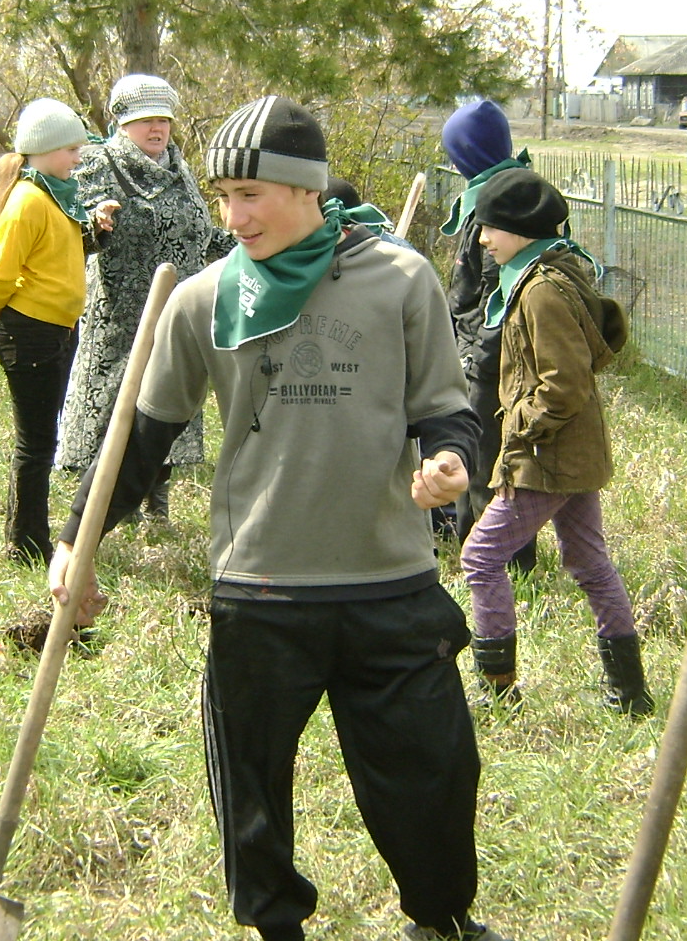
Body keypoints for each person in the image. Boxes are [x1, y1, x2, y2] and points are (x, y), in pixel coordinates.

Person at [49, 96, 504, 941]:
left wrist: (451, 464)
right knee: (251, 784)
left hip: (388, 582)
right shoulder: (203, 298)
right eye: (224, 195)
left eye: (252, 193)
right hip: (260, 587)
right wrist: (77, 541)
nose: (235, 215)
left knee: (434, 772)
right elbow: (142, 442)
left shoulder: (401, 279)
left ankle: (441, 919)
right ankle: (275, 927)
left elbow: (447, 409)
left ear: (304, 189)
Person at [456, 168, 651, 715]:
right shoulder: (545, 278)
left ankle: (498, 694)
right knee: (589, 562)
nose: (482, 239)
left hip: (549, 457)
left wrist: (517, 429)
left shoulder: (540, 291)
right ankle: (629, 693)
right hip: (573, 454)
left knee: (480, 556)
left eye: (490, 227)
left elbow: (563, 385)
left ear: (520, 230)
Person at [57, 74, 231, 520]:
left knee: (168, 401)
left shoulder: (181, 168)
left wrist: (246, 246)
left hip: (178, 312)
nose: (157, 130)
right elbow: (73, 231)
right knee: (118, 408)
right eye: (145, 121)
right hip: (122, 317)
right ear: (121, 124)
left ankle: (157, 505)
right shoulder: (100, 164)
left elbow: (199, 233)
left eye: (164, 121)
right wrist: (96, 223)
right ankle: (109, 507)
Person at [0, 99, 116, 564]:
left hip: (57, 331)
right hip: (30, 333)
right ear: (45, 150)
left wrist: (98, 229)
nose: (78, 158)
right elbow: (2, 269)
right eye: (71, 149)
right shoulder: (29, 200)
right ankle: (26, 543)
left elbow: (63, 252)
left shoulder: (55, 195)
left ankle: (28, 534)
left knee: (43, 439)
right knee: (37, 443)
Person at [440, 101, 536, 575]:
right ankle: (469, 548)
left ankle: (499, 562)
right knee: (467, 451)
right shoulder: (494, 190)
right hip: (473, 349)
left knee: (487, 462)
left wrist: (479, 360)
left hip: (491, 357)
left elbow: (501, 294)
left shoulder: (502, 202)